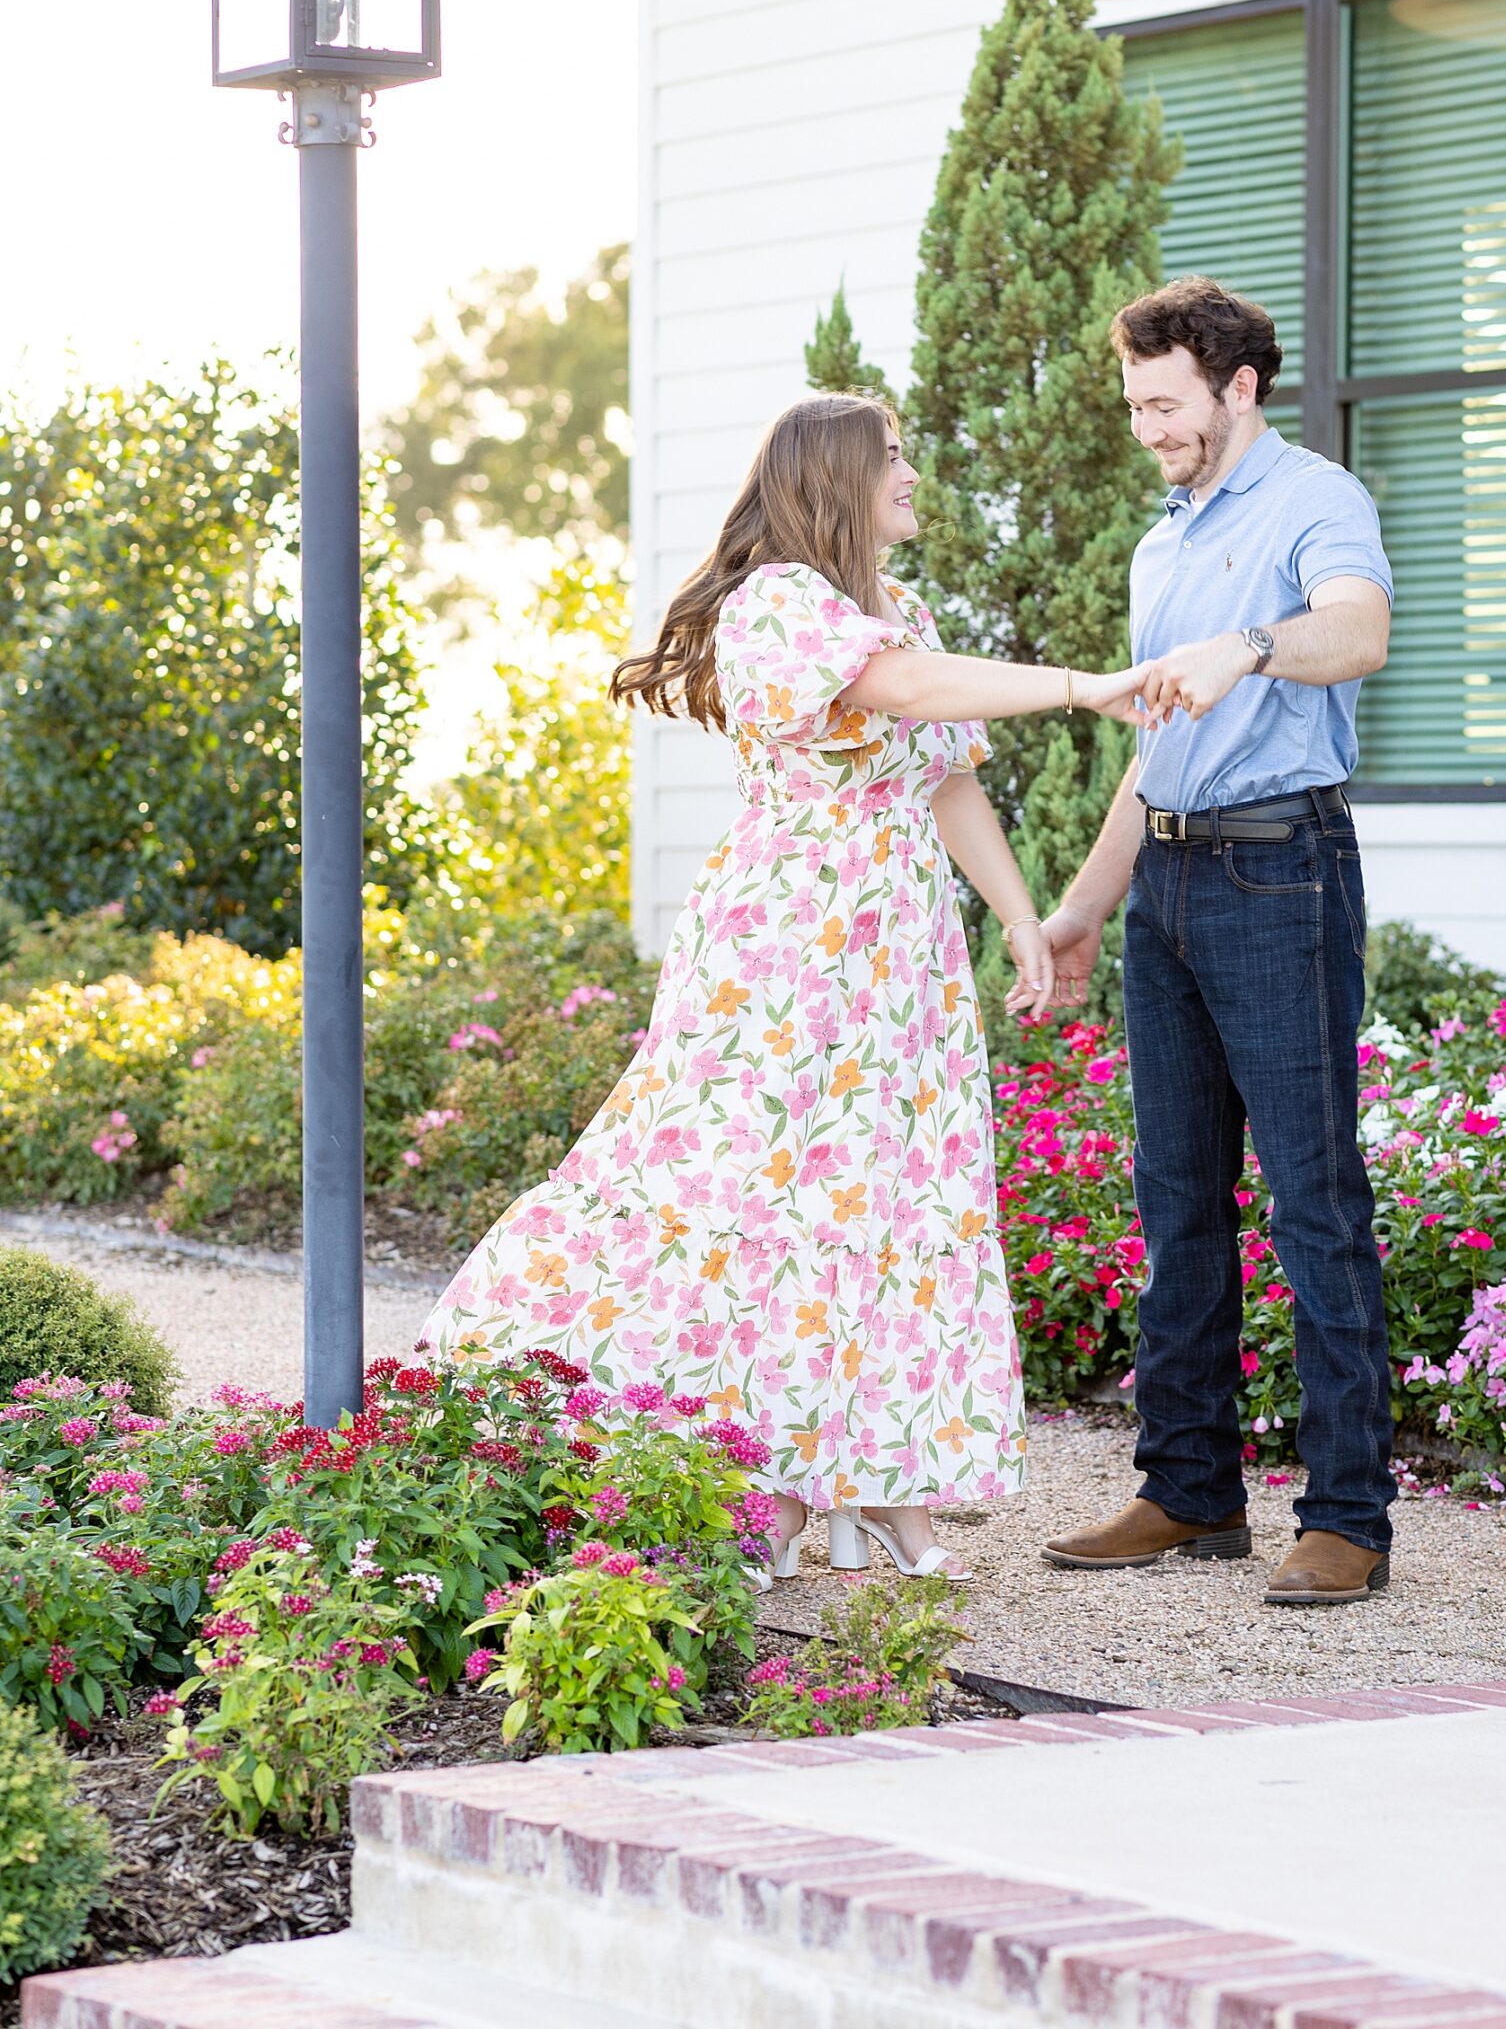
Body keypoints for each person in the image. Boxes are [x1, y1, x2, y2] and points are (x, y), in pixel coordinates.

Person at [423, 392, 1145, 1583]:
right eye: (892, 457)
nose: (911, 474)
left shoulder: (900, 610)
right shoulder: (777, 605)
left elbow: (946, 780)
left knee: (900, 1203)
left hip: (901, 953)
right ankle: (764, 1481)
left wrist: (1020, 916)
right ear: (835, 479)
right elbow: (903, 693)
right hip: (788, 947)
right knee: (757, 1197)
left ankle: (881, 1480)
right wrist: (1085, 684)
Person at [1041, 277, 1398, 1604]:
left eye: (1165, 404)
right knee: (1178, 1199)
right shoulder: (1163, 544)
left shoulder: (1315, 499)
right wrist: (1084, 906)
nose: (1148, 430)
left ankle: (1347, 1518)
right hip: (1170, 886)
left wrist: (1246, 647)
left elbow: (1357, 632)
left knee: (1312, 1200)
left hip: (1280, 873)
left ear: (1237, 387)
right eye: (1134, 407)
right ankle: (1187, 1489)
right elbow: (1156, 755)